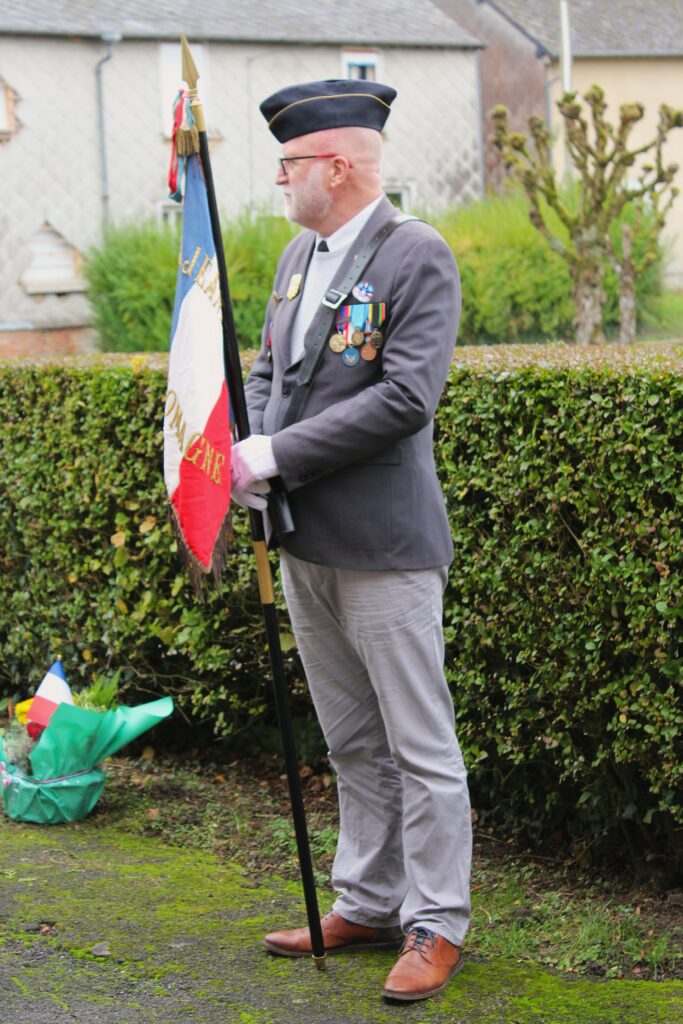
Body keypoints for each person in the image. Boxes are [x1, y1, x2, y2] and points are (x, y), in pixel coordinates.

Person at [230, 79, 472, 1003]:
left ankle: (436, 921)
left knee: (420, 747)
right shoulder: (300, 254)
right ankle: (368, 901)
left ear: (335, 166)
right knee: (351, 741)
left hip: (383, 543)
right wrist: (252, 450)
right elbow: (265, 371)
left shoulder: (417, 254)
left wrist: (278, 452)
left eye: (288, 163)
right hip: (305, 538)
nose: (278, 179)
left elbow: (405, 396)